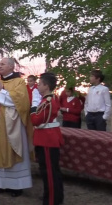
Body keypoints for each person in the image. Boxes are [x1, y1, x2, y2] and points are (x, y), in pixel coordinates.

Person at [0, 58, 34, 197]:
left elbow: (22, 102)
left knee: (13, 150)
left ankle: (16, 186)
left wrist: (2, 92)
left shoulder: (19, 82)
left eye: (2, 64)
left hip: (12, 124)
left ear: (11, 67)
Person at [31, 73, 64, 205]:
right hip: (47, 137)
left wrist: (33, 108)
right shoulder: (49, 99)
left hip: (47, 139)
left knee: (49, 172)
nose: (37, 86)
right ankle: (53, 197)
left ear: (46, 86)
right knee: (51, 171)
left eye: (39, 84)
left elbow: (35, 120)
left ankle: (51, 201)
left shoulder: (47, 101)